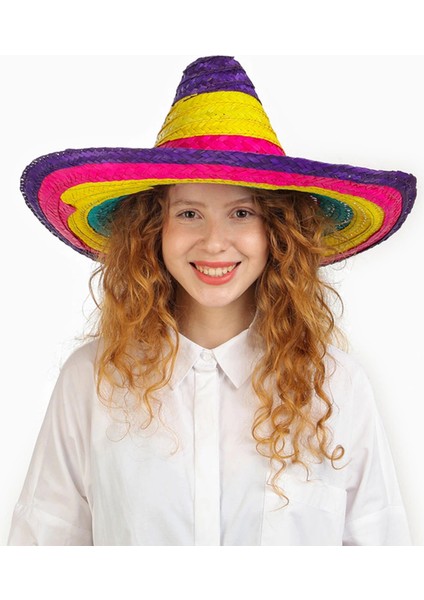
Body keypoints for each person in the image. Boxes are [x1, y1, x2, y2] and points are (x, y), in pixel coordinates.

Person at [8, 56, 416, 546]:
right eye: (189, 213)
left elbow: (379, 556)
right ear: (153, 229)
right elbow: (42, 552)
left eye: (241, 213)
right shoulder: (92, 381)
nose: (215, 242)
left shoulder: (336, 386)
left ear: (277, 232)